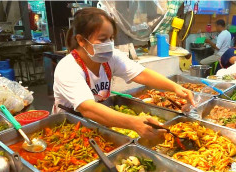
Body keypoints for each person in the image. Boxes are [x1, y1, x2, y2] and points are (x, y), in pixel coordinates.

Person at [52, 8, 194, 139]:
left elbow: (142, 74)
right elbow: (88, 108)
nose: (109, 44)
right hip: (68, 128)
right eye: (102, 39)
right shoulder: (68, 68)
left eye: (111, 38)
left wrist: (176, 88)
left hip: (97, 123)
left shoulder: (110, 57)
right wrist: (133, 122)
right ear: (81, 40)